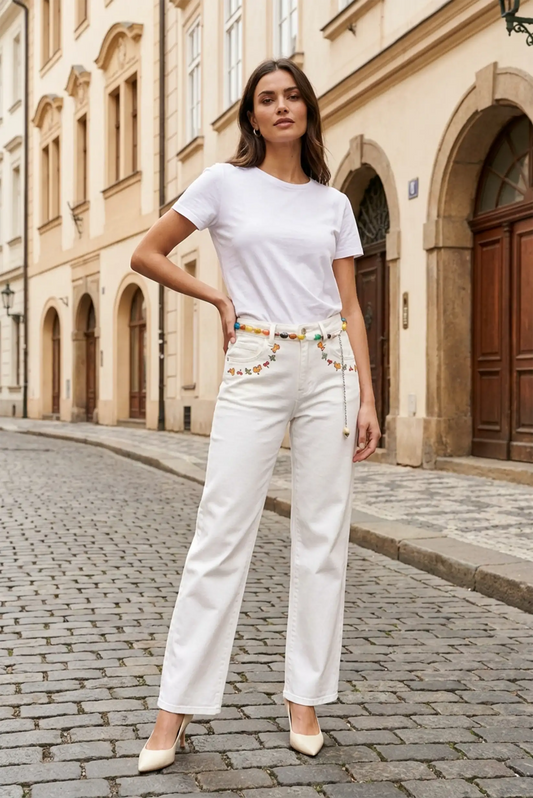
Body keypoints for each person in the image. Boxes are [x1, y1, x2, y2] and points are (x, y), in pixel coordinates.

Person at [130, 57, 380, 772]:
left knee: (322, 540)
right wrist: (215, 297)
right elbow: (146, 254)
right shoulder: (222, 183)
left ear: (306, 111)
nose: (280, 108)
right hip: (256, 362)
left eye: (291, 97)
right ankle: (172, 712)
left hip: (329, 366)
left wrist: (367, 394)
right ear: (251, 115)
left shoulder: (331, 205)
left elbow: (352, 307)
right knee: (219, 533)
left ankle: (304, 698)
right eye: (266, 99)